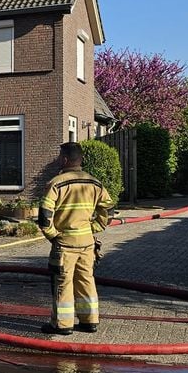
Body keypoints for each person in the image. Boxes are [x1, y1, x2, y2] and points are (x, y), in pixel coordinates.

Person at [38, 142, 114, 336]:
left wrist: (54, 236)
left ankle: (62, 324)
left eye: (59, 157)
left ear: (64, 159)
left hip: (65, 244)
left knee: (63, 283)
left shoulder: (56, 184)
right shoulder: (95, 183)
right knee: (86, 280)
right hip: (87, 243)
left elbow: (44, 217)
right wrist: (94, 228)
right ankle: (90, 321)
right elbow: (108, 210)